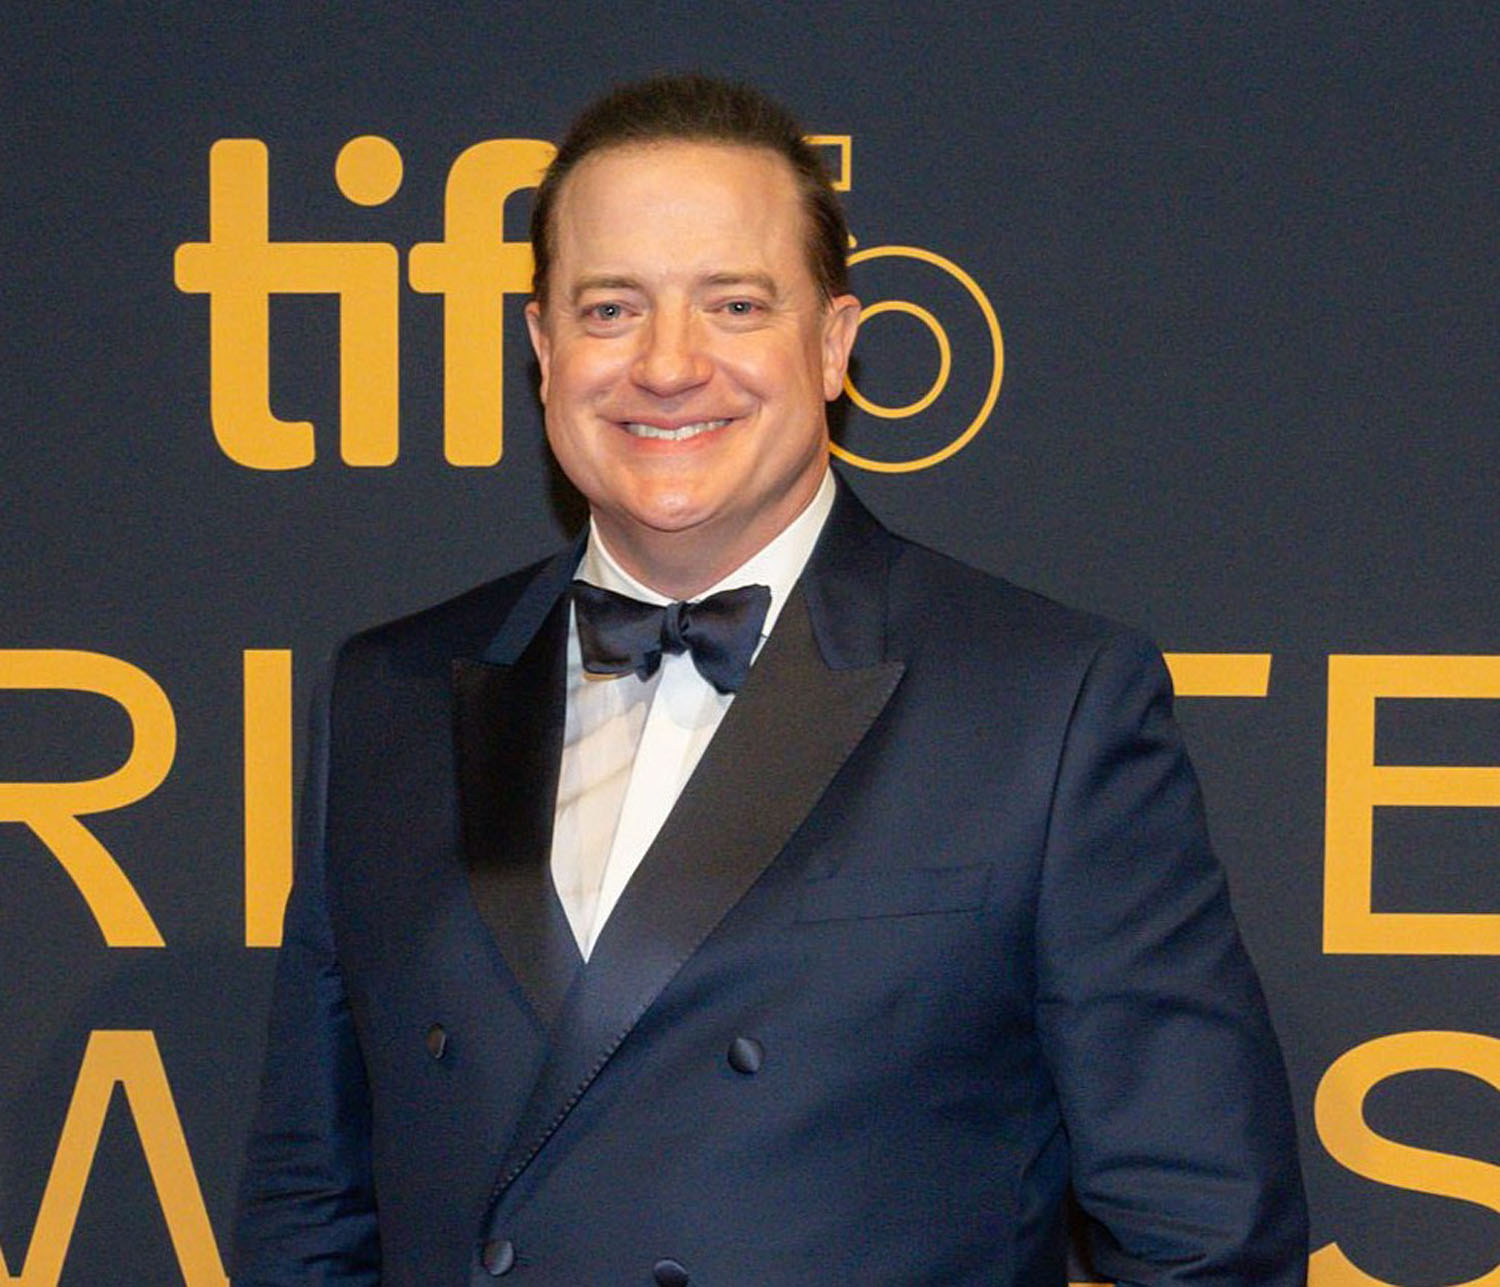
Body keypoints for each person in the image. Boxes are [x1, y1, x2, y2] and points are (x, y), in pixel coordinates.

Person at [234, 75, 1308, 1285]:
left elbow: (1207, 1236)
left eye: (735, 304)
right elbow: (309, 1205)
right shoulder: (389, 697)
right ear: (542, 348)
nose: (668, 365)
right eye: (610, 309)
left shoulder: (1044, 707)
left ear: (835, 345)